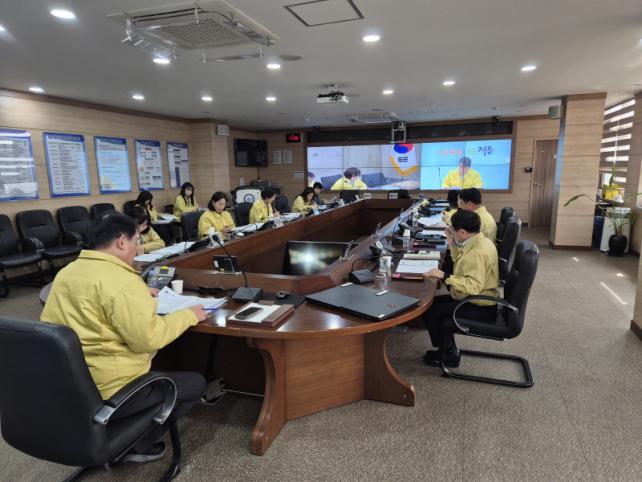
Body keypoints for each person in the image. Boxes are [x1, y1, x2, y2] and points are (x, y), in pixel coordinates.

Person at [40, 212, 207, 463]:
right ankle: (135, 445)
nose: (137, 248)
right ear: (121, 241)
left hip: (71, 386)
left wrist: (139, 295)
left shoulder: (67, 273)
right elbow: (149, 339)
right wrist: (189, 315)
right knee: (195, 384)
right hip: (112, 389)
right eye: (136, 241)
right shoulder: (123, 281)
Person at [422, 209, 499, 367]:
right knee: (432, 304)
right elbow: (462, 262)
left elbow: (472, 287)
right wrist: (452, 243)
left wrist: (445, 276)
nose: (450, 231)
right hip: (476, 298)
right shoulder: (477, 241)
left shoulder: (477, 252)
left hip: (480, 305)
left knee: (432, 312)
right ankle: (447, 348)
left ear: (462, 232)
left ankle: (447, 354)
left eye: (452, 229)